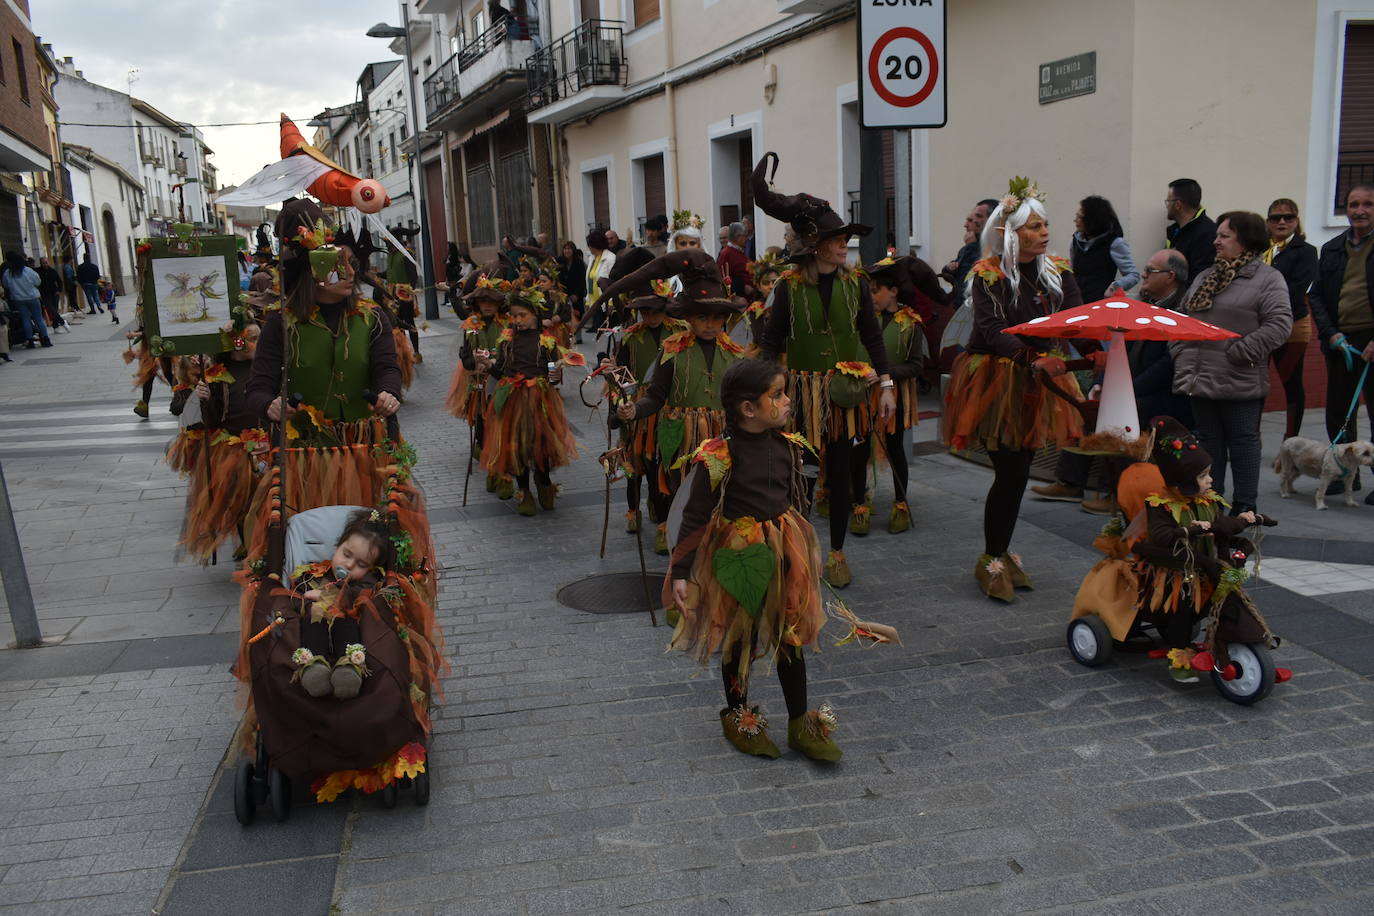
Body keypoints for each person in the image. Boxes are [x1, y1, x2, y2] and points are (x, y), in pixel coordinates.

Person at [666, 358, 840, 762]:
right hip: (738, 554)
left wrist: (802, 546)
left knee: (790, 632)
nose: (786, 402)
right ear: (748, 409)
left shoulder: (786, 444)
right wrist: (681, 571)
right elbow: (694, 515)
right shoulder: (719, 455)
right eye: (776, 395)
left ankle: (800, 723)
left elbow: (797, 494)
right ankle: (740, 714)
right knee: (739, 636)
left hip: (783, 547)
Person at [752, 152, 897, 589]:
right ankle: (799, 548)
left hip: (846, 393)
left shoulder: (856, 284)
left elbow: (873, 338)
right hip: (800, 394)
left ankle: (836, 553)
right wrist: (765, 394)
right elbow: (771, 343)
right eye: (836, 238)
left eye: (844, 238)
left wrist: (886, 383)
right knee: (801, 470)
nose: (843, 244)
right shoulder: (788, 287)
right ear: (814, 243)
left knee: (840, 470)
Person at [941, 177, 1088, 602]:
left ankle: (999, 551)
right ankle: (993, 556)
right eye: (1034, 227)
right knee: (1011, 473)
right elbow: (990, 329)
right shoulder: (987, 274)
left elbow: (1077, 318)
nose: (1044, 233)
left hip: (1041, 377)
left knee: (1018, 472)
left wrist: (1109, 344)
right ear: (1009, 234)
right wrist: (1031, 357)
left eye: (1045, 226)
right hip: (997, 378)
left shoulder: (1058, 271)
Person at [1032, 249, 1193, 513]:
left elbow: (1167, 366)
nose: (1142, 275)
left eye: (1150, 270)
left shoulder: (1181, 309)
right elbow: (1118, 352)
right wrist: (1105, 383)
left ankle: (1114, 494)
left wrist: (1123, 393)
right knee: (1093, 407)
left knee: (1121, 413)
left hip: (1169, 395)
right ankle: (1070, 481)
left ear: (1171, 276)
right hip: (1135, 386)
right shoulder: (1142, 304)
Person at [612, 249, 746, 554]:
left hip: (722, 440)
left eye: (717, 317)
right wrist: (635, 410)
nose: (711, 324)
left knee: (721, 500)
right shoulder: (671, 351)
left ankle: (713, 557)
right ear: (687, 316)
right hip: (681, 440)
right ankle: (682, 560)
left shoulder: (735, 354)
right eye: (702, 317)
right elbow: (656, 395)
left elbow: (742, 399)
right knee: (682, 500)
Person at [1132, 416, 1283, 685]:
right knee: (1182, 612)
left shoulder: (1209, 500)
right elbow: (1163, 536)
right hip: (1178, 574)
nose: (1211, 480)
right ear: (1184, 481)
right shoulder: (1161, 505)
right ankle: (1179, 655)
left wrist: (1240, 524)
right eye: (1204, 476)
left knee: (1220, 604)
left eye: (1209, 473)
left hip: (1207, 570)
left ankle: (1234, 645)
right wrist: (1190, 530)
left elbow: (1220, 528)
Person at [244, 199, 402, 438]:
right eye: (338, 265)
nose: (350, 272)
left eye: (352, 263)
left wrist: (388, 393)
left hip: (365, 443)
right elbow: (257, 388)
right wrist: (269, 405)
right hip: (304, 451)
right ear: (312, 271)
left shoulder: (373, 316)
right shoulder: (281, 322)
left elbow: (387, 367)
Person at [1170, 211, 1291, 516]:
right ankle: (1212, 504)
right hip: (1200, 378)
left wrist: (1238, 352)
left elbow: (1279, 324)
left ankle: (1245, 509)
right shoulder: (1206, 275)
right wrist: (1181, 353)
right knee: (1209, 444)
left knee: (1243, 444)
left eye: (1224, 236)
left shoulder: (1268, 279)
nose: (1216, 241)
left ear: (1245, 241)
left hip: (1240, 379)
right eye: (1218, 235)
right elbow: (1181, 319)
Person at [593, 273, 686, 535]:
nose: (649, 316)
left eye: (654, 310)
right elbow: (619, 378)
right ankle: (633, 510)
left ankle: (663, 519)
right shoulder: (631, 338)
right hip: (635, 408)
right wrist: (610, 374)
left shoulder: (680, 333)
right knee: (632, 464)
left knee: (661, 462)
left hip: (669, 406)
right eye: (644, 311)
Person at [478, 290, 582, 515]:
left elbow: (553, 368)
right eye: (514, 316)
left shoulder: (546, 341)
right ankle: (524, 490)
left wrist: (554, 375)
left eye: (522, 315)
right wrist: (488, 365)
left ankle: (543, 482)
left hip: (539, 399)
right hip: (513, 398)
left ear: (534, 314)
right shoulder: (507, 340)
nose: (517, 320)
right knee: (517, 446)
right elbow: (503, 369)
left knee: (541, 445)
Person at [849, 257, 925, 535]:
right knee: (858, 449)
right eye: (868, 291)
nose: (871, 296)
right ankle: (858, 504)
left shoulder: (911, 323)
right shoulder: (862, 319)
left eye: (876, 290)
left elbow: (917, 365)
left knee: (895, 450)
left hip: (894, 394)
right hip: (861, 394)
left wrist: (885, 373)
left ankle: (901, 504)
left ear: (893, 291)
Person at [1309, 183, 1374, 504]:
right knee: (1339, 412)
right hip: (1341, 342)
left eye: (1367, 204)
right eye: (1353, 204)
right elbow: (1316, 295)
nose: (1360, 210)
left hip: (1372, 340)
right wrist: (1330, 332)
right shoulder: (1332, 248)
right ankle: (1346, 476)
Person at [290, 510, 394, 700]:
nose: (349, 565)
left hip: (347, 624)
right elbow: (293, 597)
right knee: (312, 622)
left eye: (361, 564)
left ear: (371, 569)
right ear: (337, 547)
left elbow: (363, 595)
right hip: (316, 624)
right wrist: (305, 600)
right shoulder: (313, 574)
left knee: (347, 624)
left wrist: (329, 594)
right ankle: (313, 667)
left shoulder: (365, 583)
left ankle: (349, 669)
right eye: (346, 554)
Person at [448, 278, 512, 498]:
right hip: (478, 387)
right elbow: (465, 357)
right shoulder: (470, 325)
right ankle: (492, 470)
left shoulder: (507, 325)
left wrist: (494, 365)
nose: (487, 306)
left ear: (498, 305)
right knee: (484, 431)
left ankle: (504, 475)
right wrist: (469, 361)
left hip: (502, 384)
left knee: (502, 431)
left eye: (491, 302)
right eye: (483, 302)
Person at [1262, 198, 1319, 441]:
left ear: (1297, 221)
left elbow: (1296, 288)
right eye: (1276, 217)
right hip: (1259, 325)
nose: (1282, 222)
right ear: (1268, 222)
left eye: (1288, 217)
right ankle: (1250, 437)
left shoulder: (1306, 251)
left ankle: (1291, 440)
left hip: (1291, 324)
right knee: (1256, 382)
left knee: (1291, 381)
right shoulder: (1258, 249)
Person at [1070, 195, 1140, 301]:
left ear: (1092, 220)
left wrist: (1115, 287)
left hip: (1100, 302)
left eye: (1080, 217)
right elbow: (1073, 270)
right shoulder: (1076, 241)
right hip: (1078, 302)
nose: (1075, 220)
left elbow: (1133, 275)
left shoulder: (1115, 243)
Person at [941, 199, 998, 306]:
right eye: (970, 219)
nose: (966, 225)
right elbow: (960, 273)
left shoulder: (995, 246)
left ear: (992, 220)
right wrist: (948, 269)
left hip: (977, 305)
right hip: (962, 304)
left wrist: (971, 246)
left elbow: (973, 273)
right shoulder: (968, 246)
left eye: (978, 217)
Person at [1165, 178, 1216, 278]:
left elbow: (1199, 278)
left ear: (1178, 205)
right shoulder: (1175, 231)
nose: (1167, 206)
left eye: (1168, 201)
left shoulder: (1207, 234)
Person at [1, 251, 51, 348]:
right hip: (32, 297)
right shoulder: (28, 271)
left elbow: (5, 285)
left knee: (25, 319)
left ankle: (30, 340)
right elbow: (38, 282)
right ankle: (45, 338)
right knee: (39, 318)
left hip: (18, 299)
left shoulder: (8, 273)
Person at [584, 230, 615, 319]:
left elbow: (612, 282)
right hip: (594, 303)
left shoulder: (610, 258)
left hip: (605, 302)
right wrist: (587, 301)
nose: (589, 247)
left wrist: (611, 302)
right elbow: (589, 280)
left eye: (589, 245)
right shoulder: (592, 258)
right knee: (598, 330)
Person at [718, 221, 752, 298]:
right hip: (738, 298)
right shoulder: (727, 253)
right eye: (745, 236)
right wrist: (743, 287)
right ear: (738, 237)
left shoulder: (739, 251)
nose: (746, 239)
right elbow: (723, 278)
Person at [36, 257, 68, 334]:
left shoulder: (52, 271)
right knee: (51, 309)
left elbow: (59, 281)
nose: (45, 264)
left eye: (46, 262)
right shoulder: (37, 272)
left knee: (55, 310)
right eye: (43, 263)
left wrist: (59, 290)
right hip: (44, 294)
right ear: (40, 263)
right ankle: (62, 322)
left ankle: (56, 326)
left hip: (54, 293)